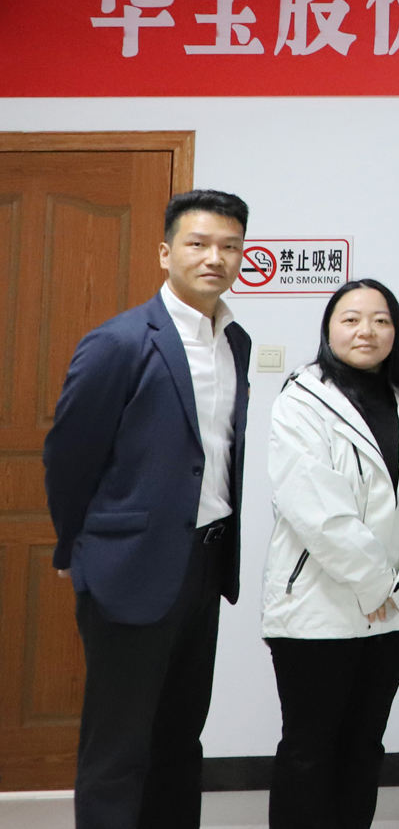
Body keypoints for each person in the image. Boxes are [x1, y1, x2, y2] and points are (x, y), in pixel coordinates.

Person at [44, 189, 254, 829]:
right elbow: (69, 455)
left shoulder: (236, 341)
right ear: (166, 253)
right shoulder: (120, 341)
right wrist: (74, 548)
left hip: (206, 562)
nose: (215, 257)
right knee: (118, 744)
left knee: (180, 736)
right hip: (128, 565)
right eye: (198, 243)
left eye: (229, 246)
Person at [263, 280, 399, 829]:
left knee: (364, 745)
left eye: (380, 320)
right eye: (350, 319)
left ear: (396, 331)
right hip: (316, 608)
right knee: (309, 749)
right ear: (329, 330)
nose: (365, 331)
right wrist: (377, 586)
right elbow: (317, 511)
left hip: (392, 612)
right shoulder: (302, 400)